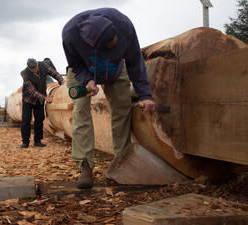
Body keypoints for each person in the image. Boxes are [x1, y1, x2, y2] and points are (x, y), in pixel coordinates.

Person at [62, 8, 156, 188]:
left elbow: (135, 61)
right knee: (81, 110)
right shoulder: (70, 34)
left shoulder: (124, 25)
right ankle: (85, 166)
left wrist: (145, 94)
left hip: (114, 68)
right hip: (83, 68)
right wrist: (87, 79)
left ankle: (121, 162)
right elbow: (74, 63)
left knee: (122, 108)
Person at [20, 58, 65, 149]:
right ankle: (25, 142)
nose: (35, 70)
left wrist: (62, 81)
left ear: (37, 64)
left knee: (39, 119)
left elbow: (54, 73)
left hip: (39, 99)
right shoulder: (24, 73)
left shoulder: (43, 66)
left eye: (36, 67)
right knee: (26, 120)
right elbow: (32, 91)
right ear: (29, 68)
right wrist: (45, 98)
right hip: (28, 99)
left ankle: (37, 141)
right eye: (33, 69)